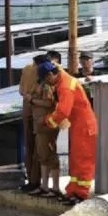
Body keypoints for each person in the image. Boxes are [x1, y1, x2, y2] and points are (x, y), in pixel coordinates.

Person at [38, 60, 98, 206]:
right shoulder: (62, 83)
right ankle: (73, 191)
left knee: (83, 160)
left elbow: (64, 111)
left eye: (46, 80)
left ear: (51, 74)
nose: (47, 83)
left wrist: (48, 121)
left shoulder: (65, 86)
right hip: (78, 125)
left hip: (84, 126)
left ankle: (81, 194)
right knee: (76, 160)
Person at [27, 66, 62, 198]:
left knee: (50, 155)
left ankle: (55, 188)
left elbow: (49, 104)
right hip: (40, 125)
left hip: (47, 125)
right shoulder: (39, 84)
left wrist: (32, 100)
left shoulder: (47, 86)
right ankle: (45, 186)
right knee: (43, 156)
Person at [18, 54, 49, 192]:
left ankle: (32, 180)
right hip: (40, 114)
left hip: (30, 111)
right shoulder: (51, 70)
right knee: (40, 149)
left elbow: (21, 91)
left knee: (31, 147)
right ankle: (37, 182)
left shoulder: (26, 69)